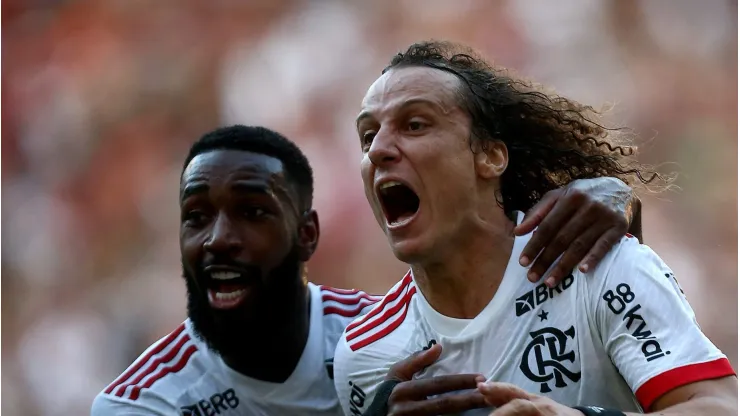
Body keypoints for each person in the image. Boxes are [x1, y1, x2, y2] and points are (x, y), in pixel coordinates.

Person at [92, 125, 641, 415]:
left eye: (252, 212)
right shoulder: (141, 403)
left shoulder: (380, 341)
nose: (218, 240)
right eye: (195, 218)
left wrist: (613, 208)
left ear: (307, 234)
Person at [333, 41, 736, 416]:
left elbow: (720, 407)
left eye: (415, 124)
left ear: (490, 157)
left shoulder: (597, 268)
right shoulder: (366, 355)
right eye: (368, 136)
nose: (379, 150)